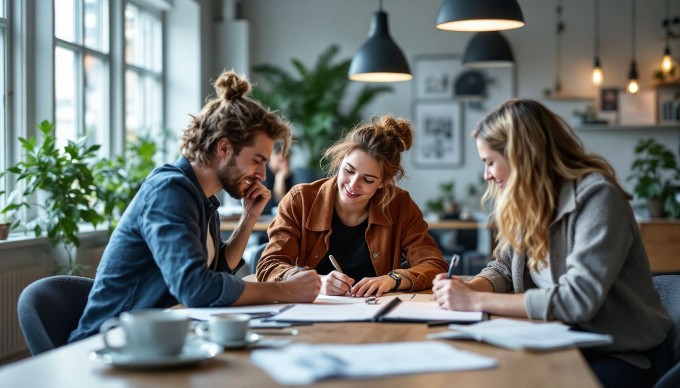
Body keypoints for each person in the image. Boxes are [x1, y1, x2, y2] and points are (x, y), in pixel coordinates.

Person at [432, 99, 673, 387]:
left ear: (520, 156)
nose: (487, 174)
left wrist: (475, 300)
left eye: (490, 162)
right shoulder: (532, 202)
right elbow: (505, 267)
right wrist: (473, 286)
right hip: (563, 340)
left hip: (622, 353)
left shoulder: (597, 198)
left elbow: (577, 300)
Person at [70, 71, 321, 342]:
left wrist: (248, 218)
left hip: (163, 340)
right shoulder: (169, 191)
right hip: (113, 344)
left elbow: (216, 273)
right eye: (257, 160)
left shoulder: (201, 197)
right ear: (224, 148)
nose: (261, 174)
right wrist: (285, 290)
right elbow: (196, 289)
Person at [256, 115, 449, 297]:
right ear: (340, 161)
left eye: (368, 179)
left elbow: (433, 265)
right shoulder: (301, 200)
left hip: (376, 313)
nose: (353, 184)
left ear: (383, 182)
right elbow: (270, 265)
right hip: (315, 313)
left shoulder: (400, 205)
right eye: (348, 170)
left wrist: (393, 279)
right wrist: (317, 282)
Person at [262, 140, 294, 216]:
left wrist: (281, 178)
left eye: (287, 159)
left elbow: (289, 205)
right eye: (281, 160)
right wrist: (279, 179)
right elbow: (267, 208)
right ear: (270, 157)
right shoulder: (262, 174)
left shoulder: (286, 175)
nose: (285, 163)